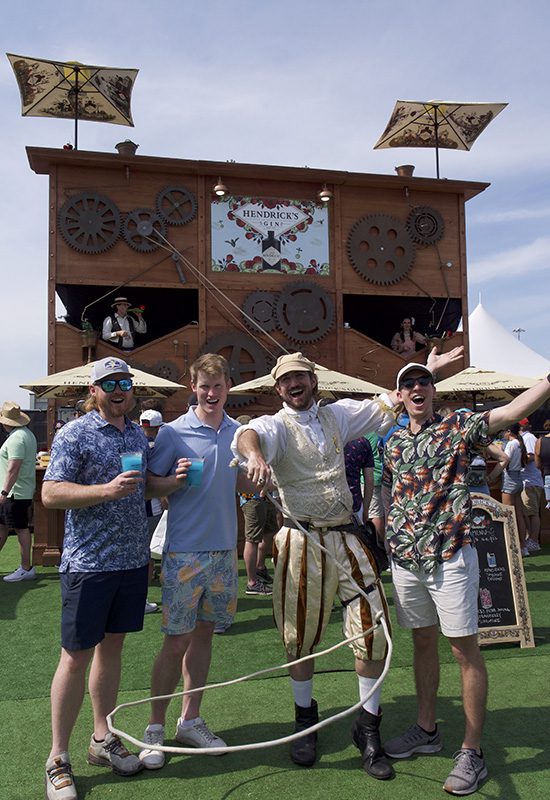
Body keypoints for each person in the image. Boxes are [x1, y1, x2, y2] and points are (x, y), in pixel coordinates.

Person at [231, 348, 462, 779]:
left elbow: (395, 399)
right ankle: (304, 721)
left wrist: (429, 370)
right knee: (298, 634)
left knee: (374, 630)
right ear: (277, 388)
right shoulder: (275, 425)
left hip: (347, 535)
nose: (294, 384)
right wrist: (256, 455)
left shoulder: (337, 415)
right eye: (286, 380)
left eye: (301, 376)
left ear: (313, 381)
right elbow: (248, 435)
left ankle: (368, 727)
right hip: (301, 541)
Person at [381, 362, 550, 796]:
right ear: (399, 395)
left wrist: (548, 382)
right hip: (406, 559)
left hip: (450, 555)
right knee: (421, 641)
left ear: (433, 391)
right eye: (408, 383)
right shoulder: (392, 440)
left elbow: (510, 413)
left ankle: (471, 751)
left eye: (424, 381)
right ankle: (426, 728)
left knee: (463, 649)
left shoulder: (457, 426)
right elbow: (387, 489)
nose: (417, 387)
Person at [41, 356, 187, 800]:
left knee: (112, 650)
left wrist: (170, 482)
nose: (119, 389)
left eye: (125, 382)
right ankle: (57, 758)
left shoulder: (135, 435)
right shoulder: (74, 433)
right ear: (94, 391)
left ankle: (101, 738)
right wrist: (105, 490)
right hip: (88, 565)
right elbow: (50, 493)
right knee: (76, 656)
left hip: (129, 562)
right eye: (109, 384)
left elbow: (141, 486)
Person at [139, 354, 252, 770]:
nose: (210, 393)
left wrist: (257, 480)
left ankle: (191, 720)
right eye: (203, 386)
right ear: (193, 387)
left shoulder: (240, 433)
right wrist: (174, 480)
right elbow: (148, 486)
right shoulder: (172, 433)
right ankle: (154, 727)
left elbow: (239, 482)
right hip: (184, 551)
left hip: (225, 552)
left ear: (227, 387)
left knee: (205, 636)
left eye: (217, 385)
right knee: (176, 640)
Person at [0, 401, 38, 582]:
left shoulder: (17, 438)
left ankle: (26, 568)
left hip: (15, 492)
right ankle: (26, 568)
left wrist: (4, 492)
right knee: (3, 527)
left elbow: (13, 468)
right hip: (16, 491)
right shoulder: (25, 434)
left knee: (21, 528)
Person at [140, 408, 167, 613]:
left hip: (139, 507)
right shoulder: (159, 445)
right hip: (151, 507)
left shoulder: (133, 440)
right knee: (148, 554)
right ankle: (142, 598)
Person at [501, 422, 529, 556]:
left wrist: (493, 474)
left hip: (510, 478)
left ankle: (512, 547)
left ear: (508, 432)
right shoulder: (519, 443)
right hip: (518, 477)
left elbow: (504, 460)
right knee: (518, 513)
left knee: (508, 513)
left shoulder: (511, 444)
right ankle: (523, 546)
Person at [519, 419, 544, 552]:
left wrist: (516, 460)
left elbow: (531, 456)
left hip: (530, 480)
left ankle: (534, 541)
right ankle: (531, 539)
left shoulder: (528, 438)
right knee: (527, 511)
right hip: (528, 480)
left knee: (531, 513)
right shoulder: (526, 437)